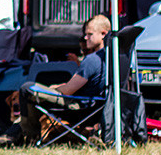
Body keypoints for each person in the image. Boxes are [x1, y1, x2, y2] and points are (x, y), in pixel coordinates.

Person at [15, 14, 111, 146]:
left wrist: (54, 89)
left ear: (103, 34)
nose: (85, 37)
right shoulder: (112, 59)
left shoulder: (92, 60)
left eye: (89, 34)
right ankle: (21, 133)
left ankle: (28, 135)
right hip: (95, 106)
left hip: (78, 107)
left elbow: (68, 91)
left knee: (27, 89)